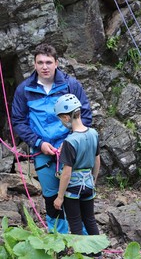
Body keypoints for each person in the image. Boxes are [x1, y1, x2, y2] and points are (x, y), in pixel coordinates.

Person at [11, 43, 92, 233]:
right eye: (40, 62)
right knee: (50, 197)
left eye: (48, 62)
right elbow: (19, 120)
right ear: (34, 64)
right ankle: (58, 241)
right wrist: (39, 142)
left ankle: (86, 241)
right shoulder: (25, 90)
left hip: (70, 148)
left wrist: (71, 140)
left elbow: (85, 115)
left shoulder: (71, 85)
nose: (44, 66)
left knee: (77, 194)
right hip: (43, 151)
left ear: (56, 63)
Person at [53, 94, 100, 236]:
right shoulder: (93, 133)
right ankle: (97, 254)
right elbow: (97, 161)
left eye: (61, 118)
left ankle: (80, 255)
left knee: (75, 223)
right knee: (90, 220)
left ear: (67, 118)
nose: (62, 122)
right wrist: (93, 180)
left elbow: (66, 172)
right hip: (88, 185)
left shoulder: (70, 141)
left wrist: (60, 197)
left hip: (73, 188)